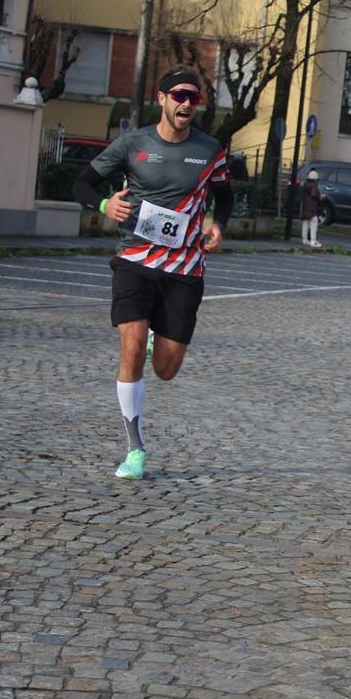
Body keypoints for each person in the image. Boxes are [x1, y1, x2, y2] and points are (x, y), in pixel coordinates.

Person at [72, 65, 232, 481]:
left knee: (166, 368)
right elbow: (82, 184)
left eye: (193, 97)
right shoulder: (133, 144)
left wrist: (217, 224)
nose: (186, 103)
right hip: (135, 260)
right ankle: (135, 448)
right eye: (179, 95)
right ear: (162, 98)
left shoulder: (209, 149)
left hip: (184, 268)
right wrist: (105, 205)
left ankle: (152, 340)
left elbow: (225, 195)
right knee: (131, 345)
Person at [299, 169, 323, 248]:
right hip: (312, 206)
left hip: (306, 206)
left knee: (305, 222)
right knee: (314, 222)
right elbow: (313, 194)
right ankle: (313, 241)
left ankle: (304, 240)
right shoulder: (314, 184)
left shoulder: (305, 183)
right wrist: (320, 196)